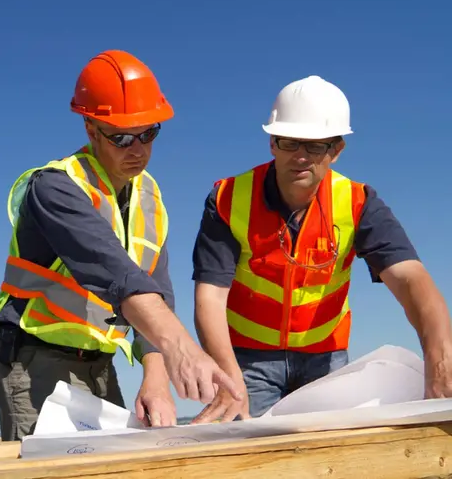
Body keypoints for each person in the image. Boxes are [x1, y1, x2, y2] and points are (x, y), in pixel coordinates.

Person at [0, 50, 240, 440]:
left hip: (100, 364)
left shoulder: (149, 196)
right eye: (122, 137)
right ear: (91, 129)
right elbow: (119, 276)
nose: (137, 149)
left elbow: (156, 289)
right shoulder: (56, 187)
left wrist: (156, 377)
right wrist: (182, 349)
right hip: (34, 358)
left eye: (149, 133)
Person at [191, 75, 452, 423]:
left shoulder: (359, 203)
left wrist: (441, 359)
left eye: (315, 146)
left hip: (325, 359)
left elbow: (409, 278)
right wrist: (227, 375)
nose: (300, 157)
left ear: (336, 150)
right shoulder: (227, 198)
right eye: (289, 142)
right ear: (272, 143)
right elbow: (209, 296)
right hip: (245, 360)